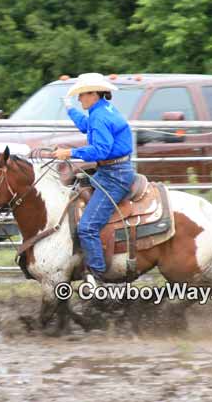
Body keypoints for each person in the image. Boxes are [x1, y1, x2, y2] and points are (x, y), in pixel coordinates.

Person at [51, 73, 135, 283]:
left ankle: (98, 275)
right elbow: (85, 126)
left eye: (81, 95)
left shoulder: (100, 116)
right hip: (112, 171)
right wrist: (69, 108)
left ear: (93, 94)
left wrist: (68, 153)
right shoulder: (103, 109)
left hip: (114, 177)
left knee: (87, 226)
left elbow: (100, 151)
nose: (80, 99)